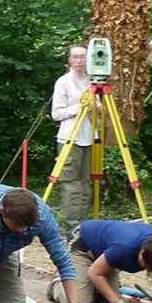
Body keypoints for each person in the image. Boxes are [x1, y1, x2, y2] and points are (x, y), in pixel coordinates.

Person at [46, 220, 152, 303]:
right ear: (141, 254)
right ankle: (58, 283)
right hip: (82, 246)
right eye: (146, 267)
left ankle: (86, 286)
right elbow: (94, 273)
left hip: (106, 256)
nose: (148, 271)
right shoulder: (125, 248)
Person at [51, 44, 93, 236]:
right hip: (69, 138)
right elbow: (56, 113)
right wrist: (80, 107)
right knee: (71, 184)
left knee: (85, 183)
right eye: (75, 57)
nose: (78, 61)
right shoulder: (63, 82)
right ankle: (71, 225)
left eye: (82, 57)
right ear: (69, 59)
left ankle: (82, 225)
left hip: (90, 138)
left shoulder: (93, 82)